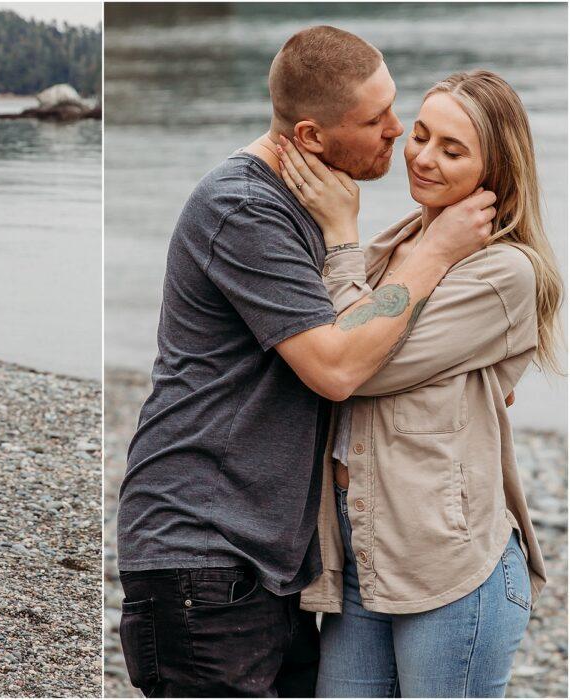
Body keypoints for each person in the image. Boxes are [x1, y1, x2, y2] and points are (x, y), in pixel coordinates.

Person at [116, 26, 498, 697]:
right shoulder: (243, 207)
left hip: (264, 567)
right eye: (375, 119)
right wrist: (434, 254)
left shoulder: (304, 204)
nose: (396, 130)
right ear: (312, 138)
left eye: (393, 106)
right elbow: (335, 367)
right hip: (202, 554)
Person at [278, 70, 561, 697]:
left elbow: (348, 366)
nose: (423, 158)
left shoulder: (503, 273)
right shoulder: (399, 246)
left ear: (497, 169)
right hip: (362, 562)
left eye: (453, 150)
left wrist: (341, 235)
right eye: (422, 136)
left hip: (449, 570)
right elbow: (334, 344)